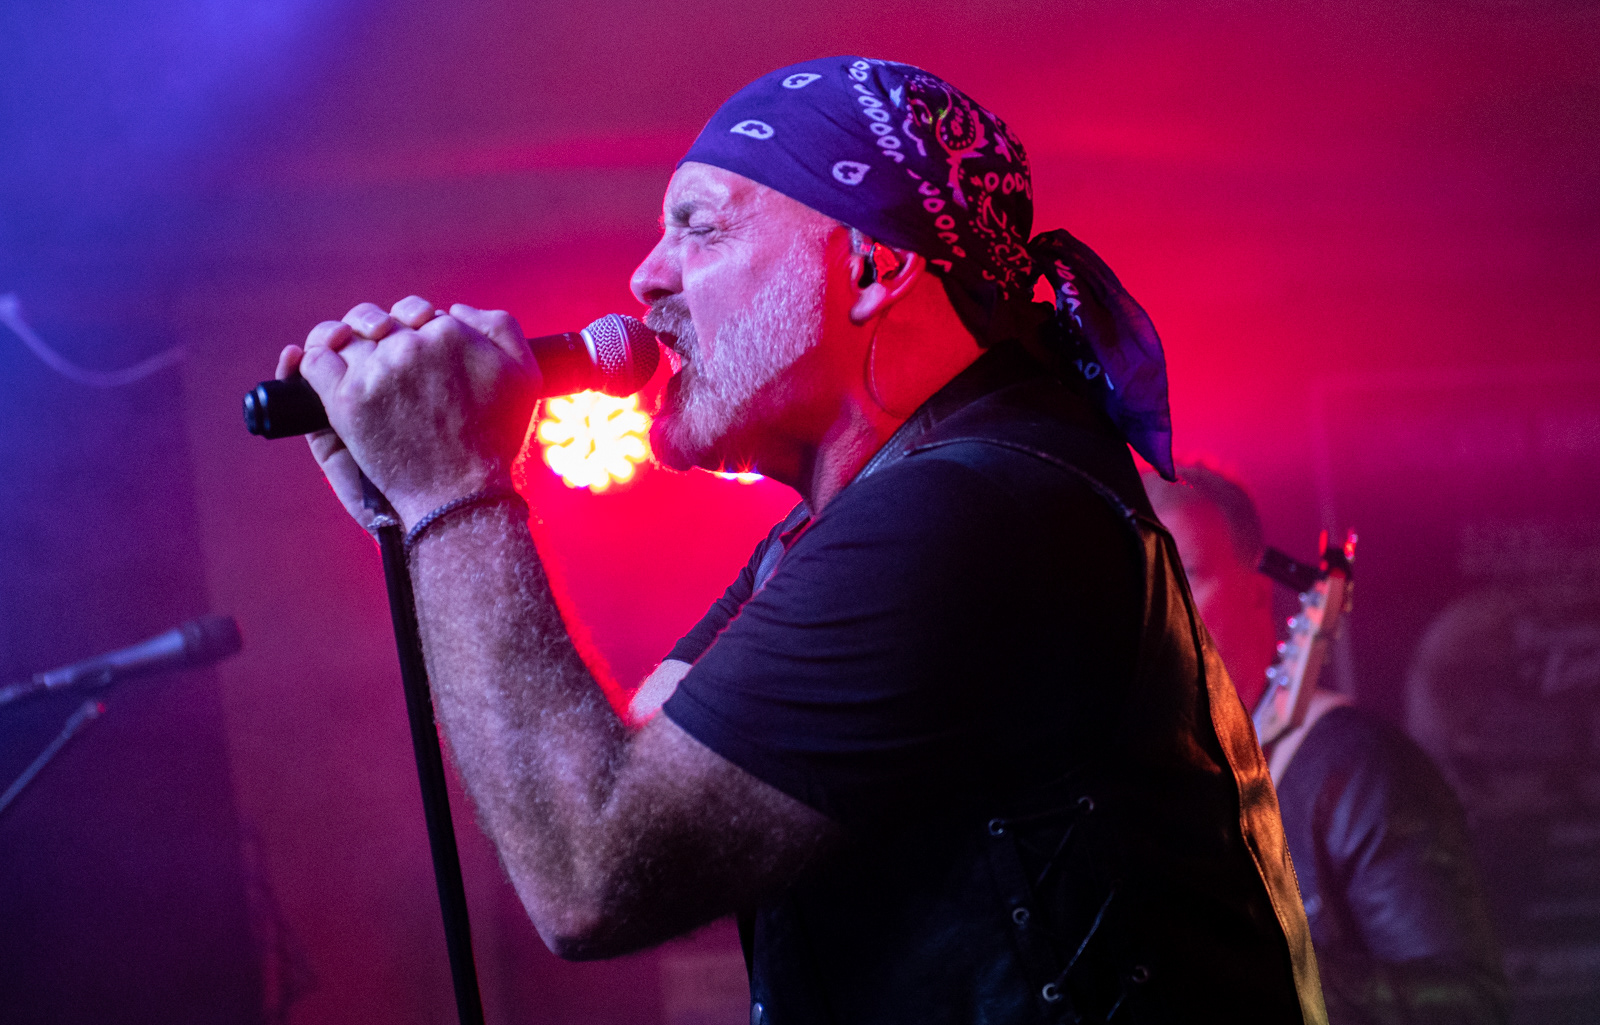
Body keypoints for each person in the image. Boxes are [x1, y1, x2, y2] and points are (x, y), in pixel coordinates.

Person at [277, 57, 1325, 1023]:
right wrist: (422, 511)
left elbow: (591, 865)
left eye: (699, 227)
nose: (647, 278)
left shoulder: (969, 510)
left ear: (871, 264)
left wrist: (456, 493)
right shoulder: (887, 508)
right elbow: (628, 763)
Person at [1144, 464, 1508, 1025]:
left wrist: (1270, 959)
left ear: (1257, 593)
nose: (1158, 605)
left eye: (1187, 575)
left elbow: (1470, 1006)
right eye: (1140, 581)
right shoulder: (1134, 781)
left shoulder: (1354, 764)